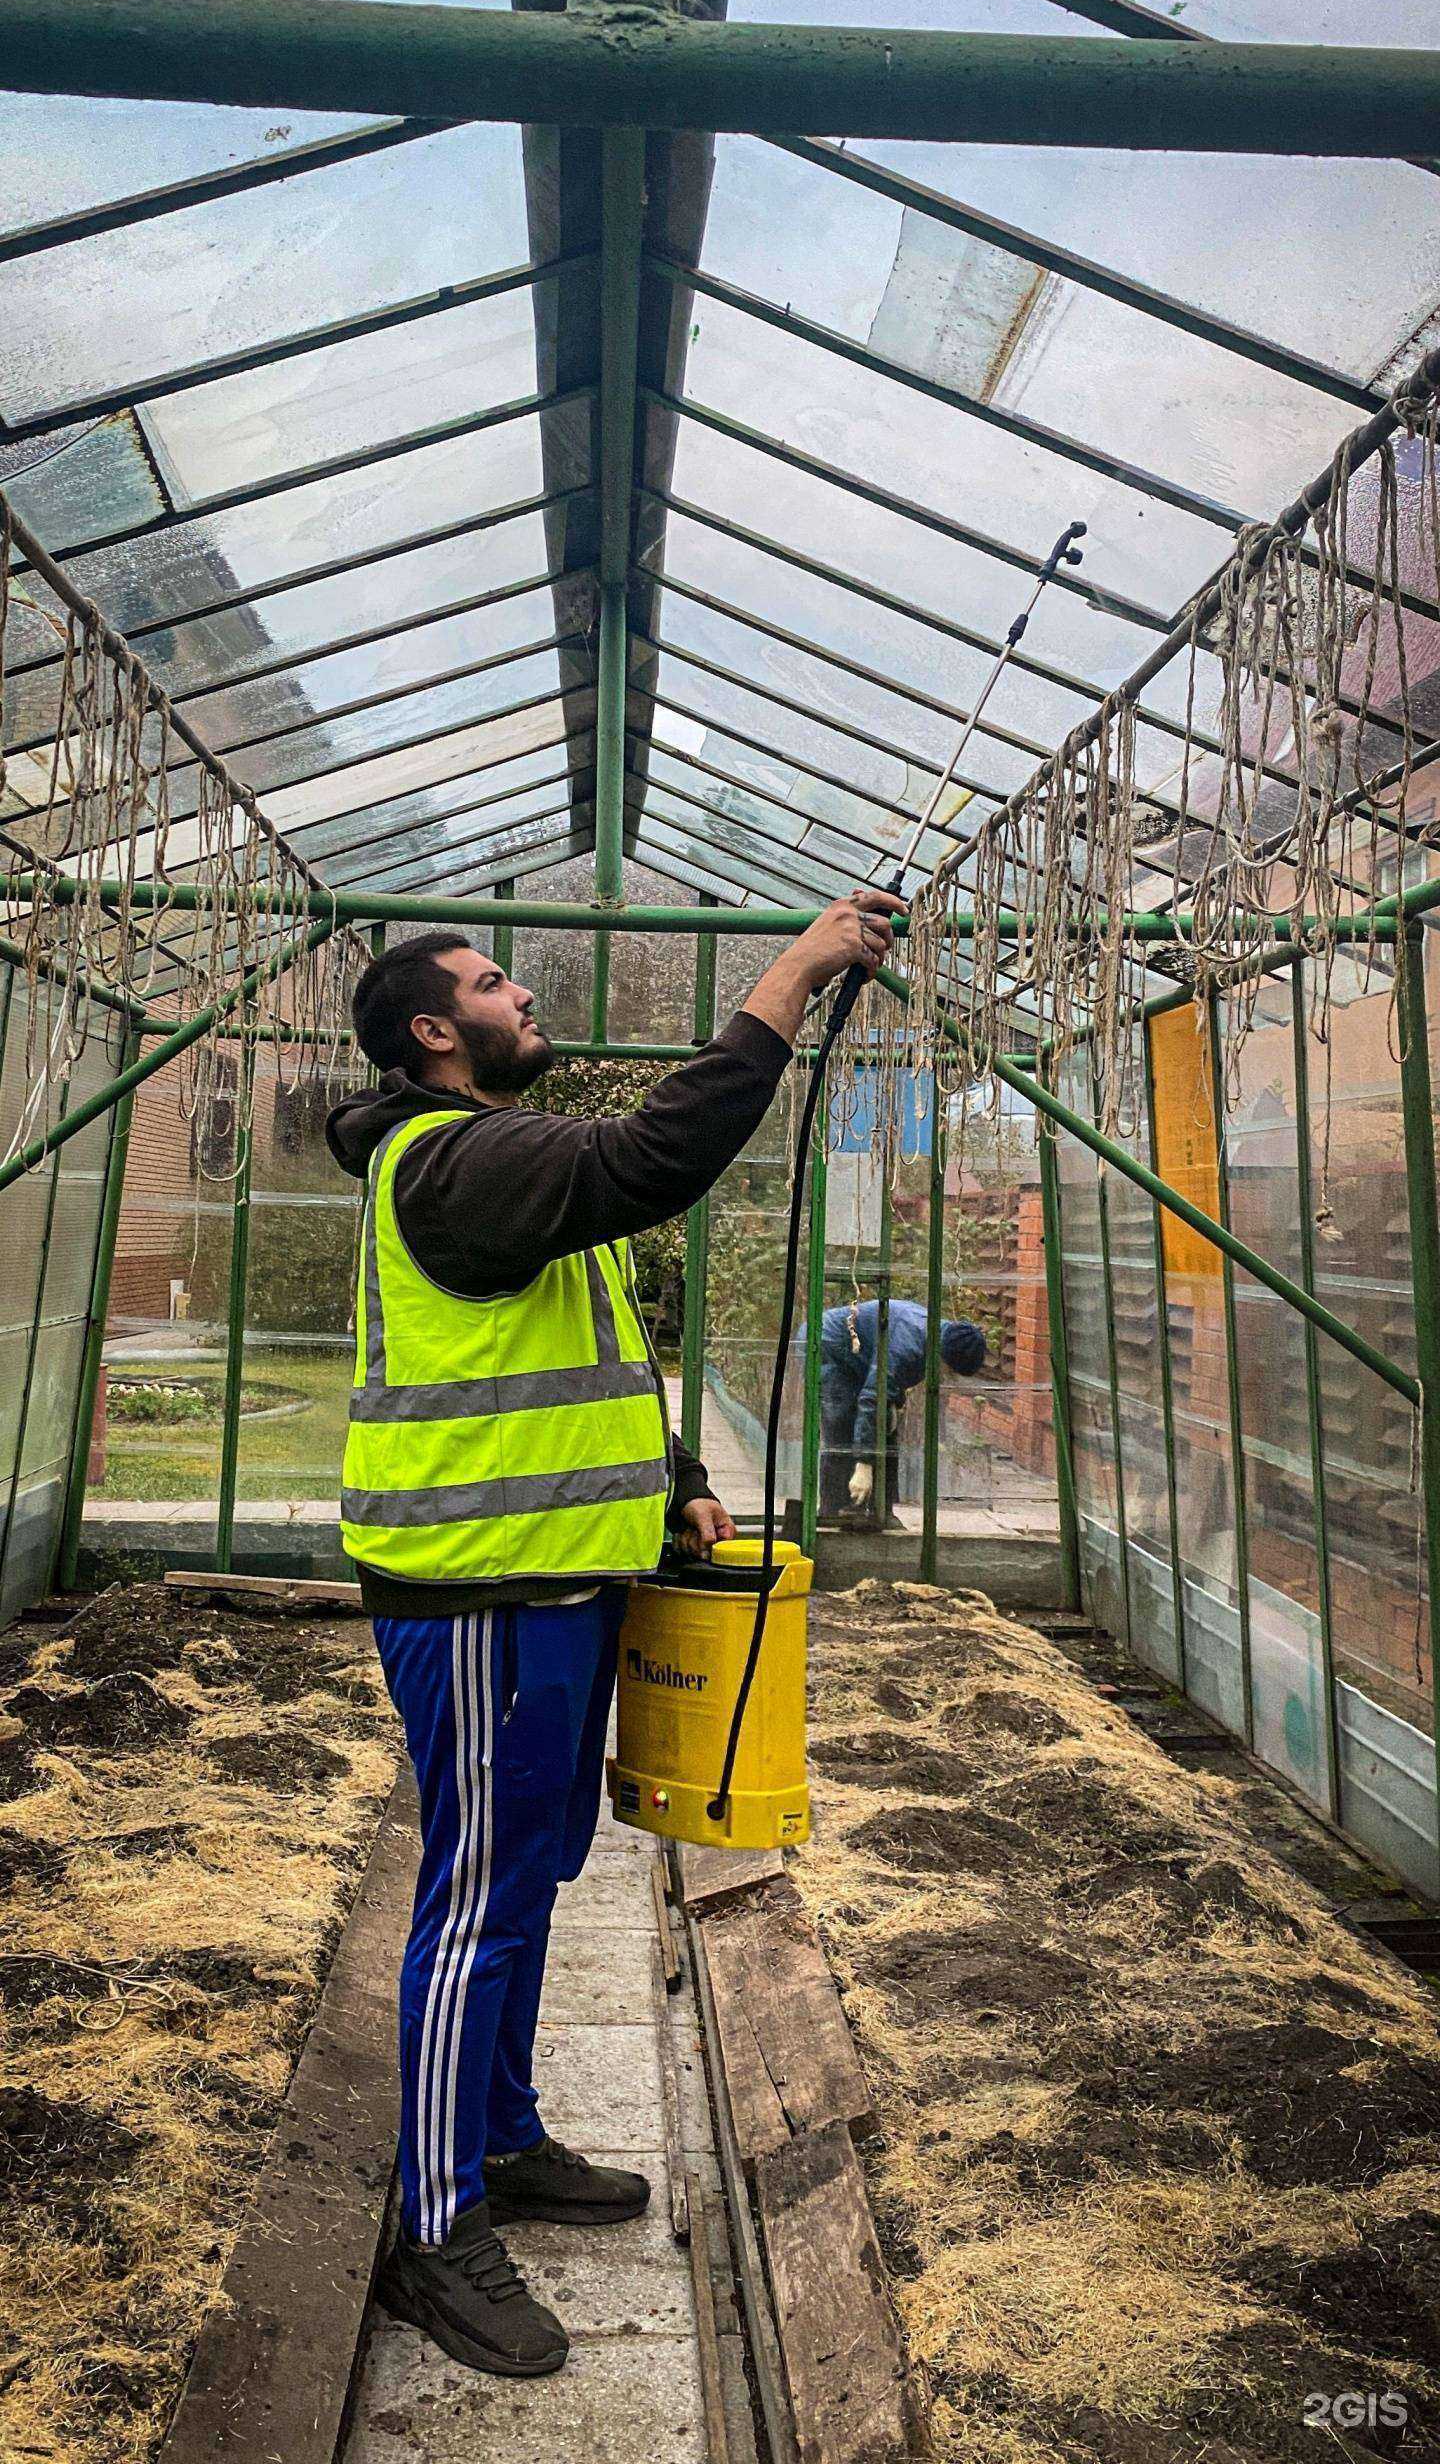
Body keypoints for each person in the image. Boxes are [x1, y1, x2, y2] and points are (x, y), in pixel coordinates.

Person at [326, 887, 899, 2381]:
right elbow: (658, 1156)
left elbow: (597, 1343)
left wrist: (684, 1485)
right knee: (476, 1899)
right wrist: (795, 969)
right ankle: (433, 2227)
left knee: (535, 1871)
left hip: (562, 1582)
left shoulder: (508, 1168)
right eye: (497, 982)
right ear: (439, 1033)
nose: (527, 997)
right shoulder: (449, 1158)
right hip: (479, 1591)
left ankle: (499, 2135)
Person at [811, 1299, 985, 1526]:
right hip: (829, 1347)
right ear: (943, 1356)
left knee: (885, 1428)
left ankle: (880, 1513)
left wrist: (894, 1408)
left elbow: (890, 1386)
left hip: (860, 1359)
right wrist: (864, 1465)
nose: (947, 1375)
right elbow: (874, 1396)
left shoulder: (933, 1338)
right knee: (842, 1423)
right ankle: (833, 1512)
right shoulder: (909, 1344)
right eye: (950, 1370)